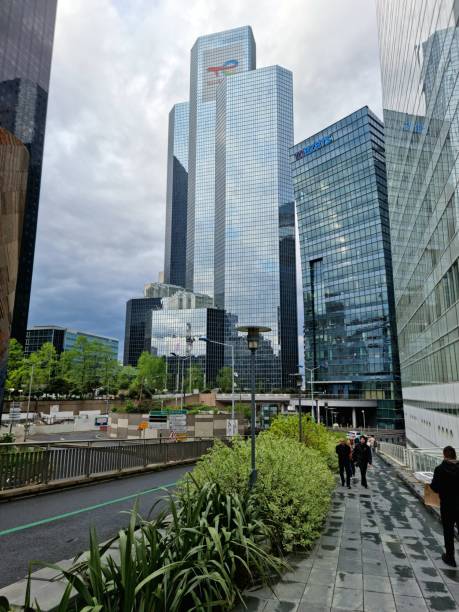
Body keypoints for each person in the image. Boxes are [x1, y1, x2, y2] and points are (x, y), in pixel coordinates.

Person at [430, 446, 459, 567]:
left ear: (444, 455)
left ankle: (450, 558)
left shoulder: (440, 469)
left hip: (447, 505)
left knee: (448, 531)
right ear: (455, 456)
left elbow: (435, 488)